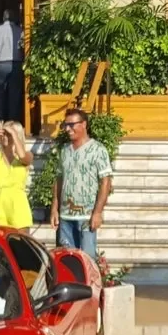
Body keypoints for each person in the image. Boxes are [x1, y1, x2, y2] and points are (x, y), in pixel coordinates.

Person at [52, 107, 112, 260]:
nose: (68, 129)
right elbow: (59, 178)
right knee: (66, 259)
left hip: (86, 215)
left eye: (72, 125)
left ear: (84, 124)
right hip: (66, 216)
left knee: (87, 259)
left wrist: (97, 212)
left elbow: (105, 181)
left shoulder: (97, 150)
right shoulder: (64, 150)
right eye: (66, 125)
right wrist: (54, 208)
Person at [0, 121, 34, 228]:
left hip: (17, 205)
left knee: (19, 242)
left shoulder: (27, 155)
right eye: (3, 133)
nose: (5, 137)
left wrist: (13, 134)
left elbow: (23, 157)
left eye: (8, 134)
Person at [0, 8, 23, 124]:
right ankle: (12, 118)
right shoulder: (21, 31)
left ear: (3, 18)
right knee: (14, 92)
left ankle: (0, 117)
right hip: (15, 63)